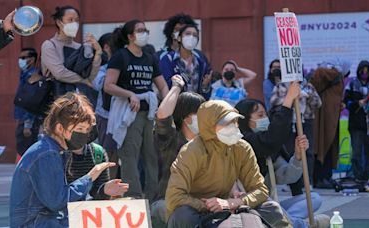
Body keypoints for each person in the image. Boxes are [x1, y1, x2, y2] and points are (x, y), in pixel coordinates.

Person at [166, 100, 292, 228]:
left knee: (272, 208)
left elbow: (260, 190)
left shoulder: (242, 148)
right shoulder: (191, 151)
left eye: (235, 121)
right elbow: (174, 197)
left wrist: (233, 203)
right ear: (209, 126)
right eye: (226, 123)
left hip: (229, 208)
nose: (233, 126)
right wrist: (208, 205)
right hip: (198, 211)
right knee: (182, 215)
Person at [9, 93, 121, 227]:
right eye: (79, 129)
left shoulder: (53, 150)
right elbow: (58, 201)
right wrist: (90, 177)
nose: (84, 134)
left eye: (86, 129)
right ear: (60, 128)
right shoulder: (47, 154)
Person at [235, 99, 329, 228]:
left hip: (270, 205)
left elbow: (287, 176)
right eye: (260, 115)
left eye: (265, 114)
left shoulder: (270, 153)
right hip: (249, 205)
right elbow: (273, 137)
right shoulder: (243, 143)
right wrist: (289, 99)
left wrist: (297, 156)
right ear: (245, 119)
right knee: (268, 208)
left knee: (314, 199)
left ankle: (284, 221)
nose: (265, 119)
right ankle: (296, 224)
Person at [104, 19, 169, 202]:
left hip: (149, 113)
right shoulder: (121, 56)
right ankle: (132, 196)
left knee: (152, 155)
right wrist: (129, 94)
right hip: (128, 112)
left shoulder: (149, 57)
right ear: (130, 36)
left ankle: (153, 196)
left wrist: (166, 103)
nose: (144, 33)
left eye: (145, 30)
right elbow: (108, 85)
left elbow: (162, 85)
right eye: (140, 30)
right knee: (129, 156)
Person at [151, 75, 205, 227]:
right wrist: (177, 86)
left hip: (201, 202)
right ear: (185, 116)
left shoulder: (208, 142)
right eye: (199, 112)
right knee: (182, 213)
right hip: (167, 202)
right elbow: (162, 115)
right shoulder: (170, 139)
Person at [270, 74, 322, 188]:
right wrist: (290, 97)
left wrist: (307, 96)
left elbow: (318, 103)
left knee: (307, 151)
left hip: (305, 121)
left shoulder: (307, 86)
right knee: (289, 151)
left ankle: (308, 182)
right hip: (288, 122)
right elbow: (273, 101)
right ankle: (291, 184)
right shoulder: (281, 86)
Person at [41, 5, 102, 99]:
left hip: (77, 100)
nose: (74, 24)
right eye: (70, 20)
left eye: (77, 20)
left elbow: (90, 77)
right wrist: (83, 81)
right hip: (55, 99)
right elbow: (59, 73)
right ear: (59, 22)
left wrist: (98, 53)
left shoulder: (80, 47)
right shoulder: (49, 45)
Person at [310, 59, 351, 188]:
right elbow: (319, 73)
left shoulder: (333, 78)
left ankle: (324, 177)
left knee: (327, 147)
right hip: (325, 119)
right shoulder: (332, 75)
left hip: (330, 118)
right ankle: (321, 178)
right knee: (324, 146)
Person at [344, 60, 369, 182]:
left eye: (367, 71)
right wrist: (358, 103)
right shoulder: (351, 86)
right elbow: (346, 103)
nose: (364, 73)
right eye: (362, 71)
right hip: (356, 126)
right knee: (356, 154)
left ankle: (367, 178)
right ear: (359, 71)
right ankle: (358, 177)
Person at [159, 23, 212, 99]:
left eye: (195, 35)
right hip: (175, 106)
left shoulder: (201, 63)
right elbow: (165, 87)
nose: (191, 37)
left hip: (196, 107)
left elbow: (205, 93)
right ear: (179, 38)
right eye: (188, 34)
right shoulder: (168, 60)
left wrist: (205, 85)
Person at [91, 32, 119, 179]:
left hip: (125, 115)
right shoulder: (102, 68)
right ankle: (106, 185)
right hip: (106, 116)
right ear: (107, 47)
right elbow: (99, 84)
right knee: (108, 154)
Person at [14, 48, 41, 156]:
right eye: (20, 58)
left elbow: (31, 101)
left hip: (28, 122)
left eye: (24, 58)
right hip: (23, 119)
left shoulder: (32, 76)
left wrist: (27, 125)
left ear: (32, 59)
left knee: (26, 150)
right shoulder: (25, 74)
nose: (21, 60)